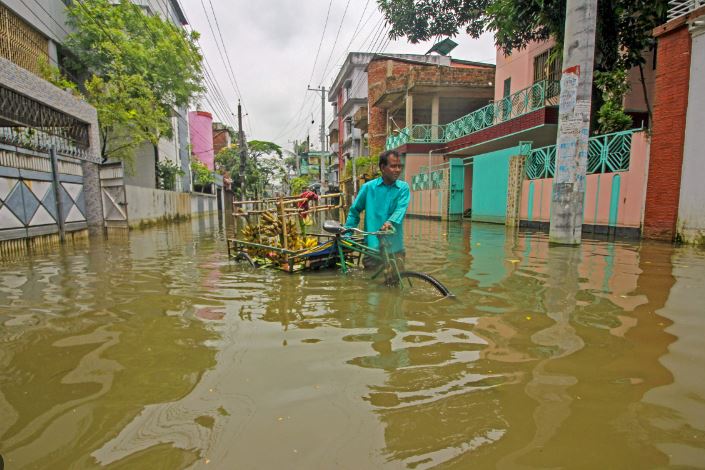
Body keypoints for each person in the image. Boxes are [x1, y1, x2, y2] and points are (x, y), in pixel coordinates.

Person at [344, 150, 410, 268]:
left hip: (395, 247)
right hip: (372, 247)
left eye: (399, 166)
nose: (398, 170)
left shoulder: (403, 188)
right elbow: (354, 211)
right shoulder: (368, 188)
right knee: (372, 284)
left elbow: (401, 208)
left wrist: (390, 222)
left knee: (397, 281)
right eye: (393, 166)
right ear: (383, 167)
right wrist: (347, 234)